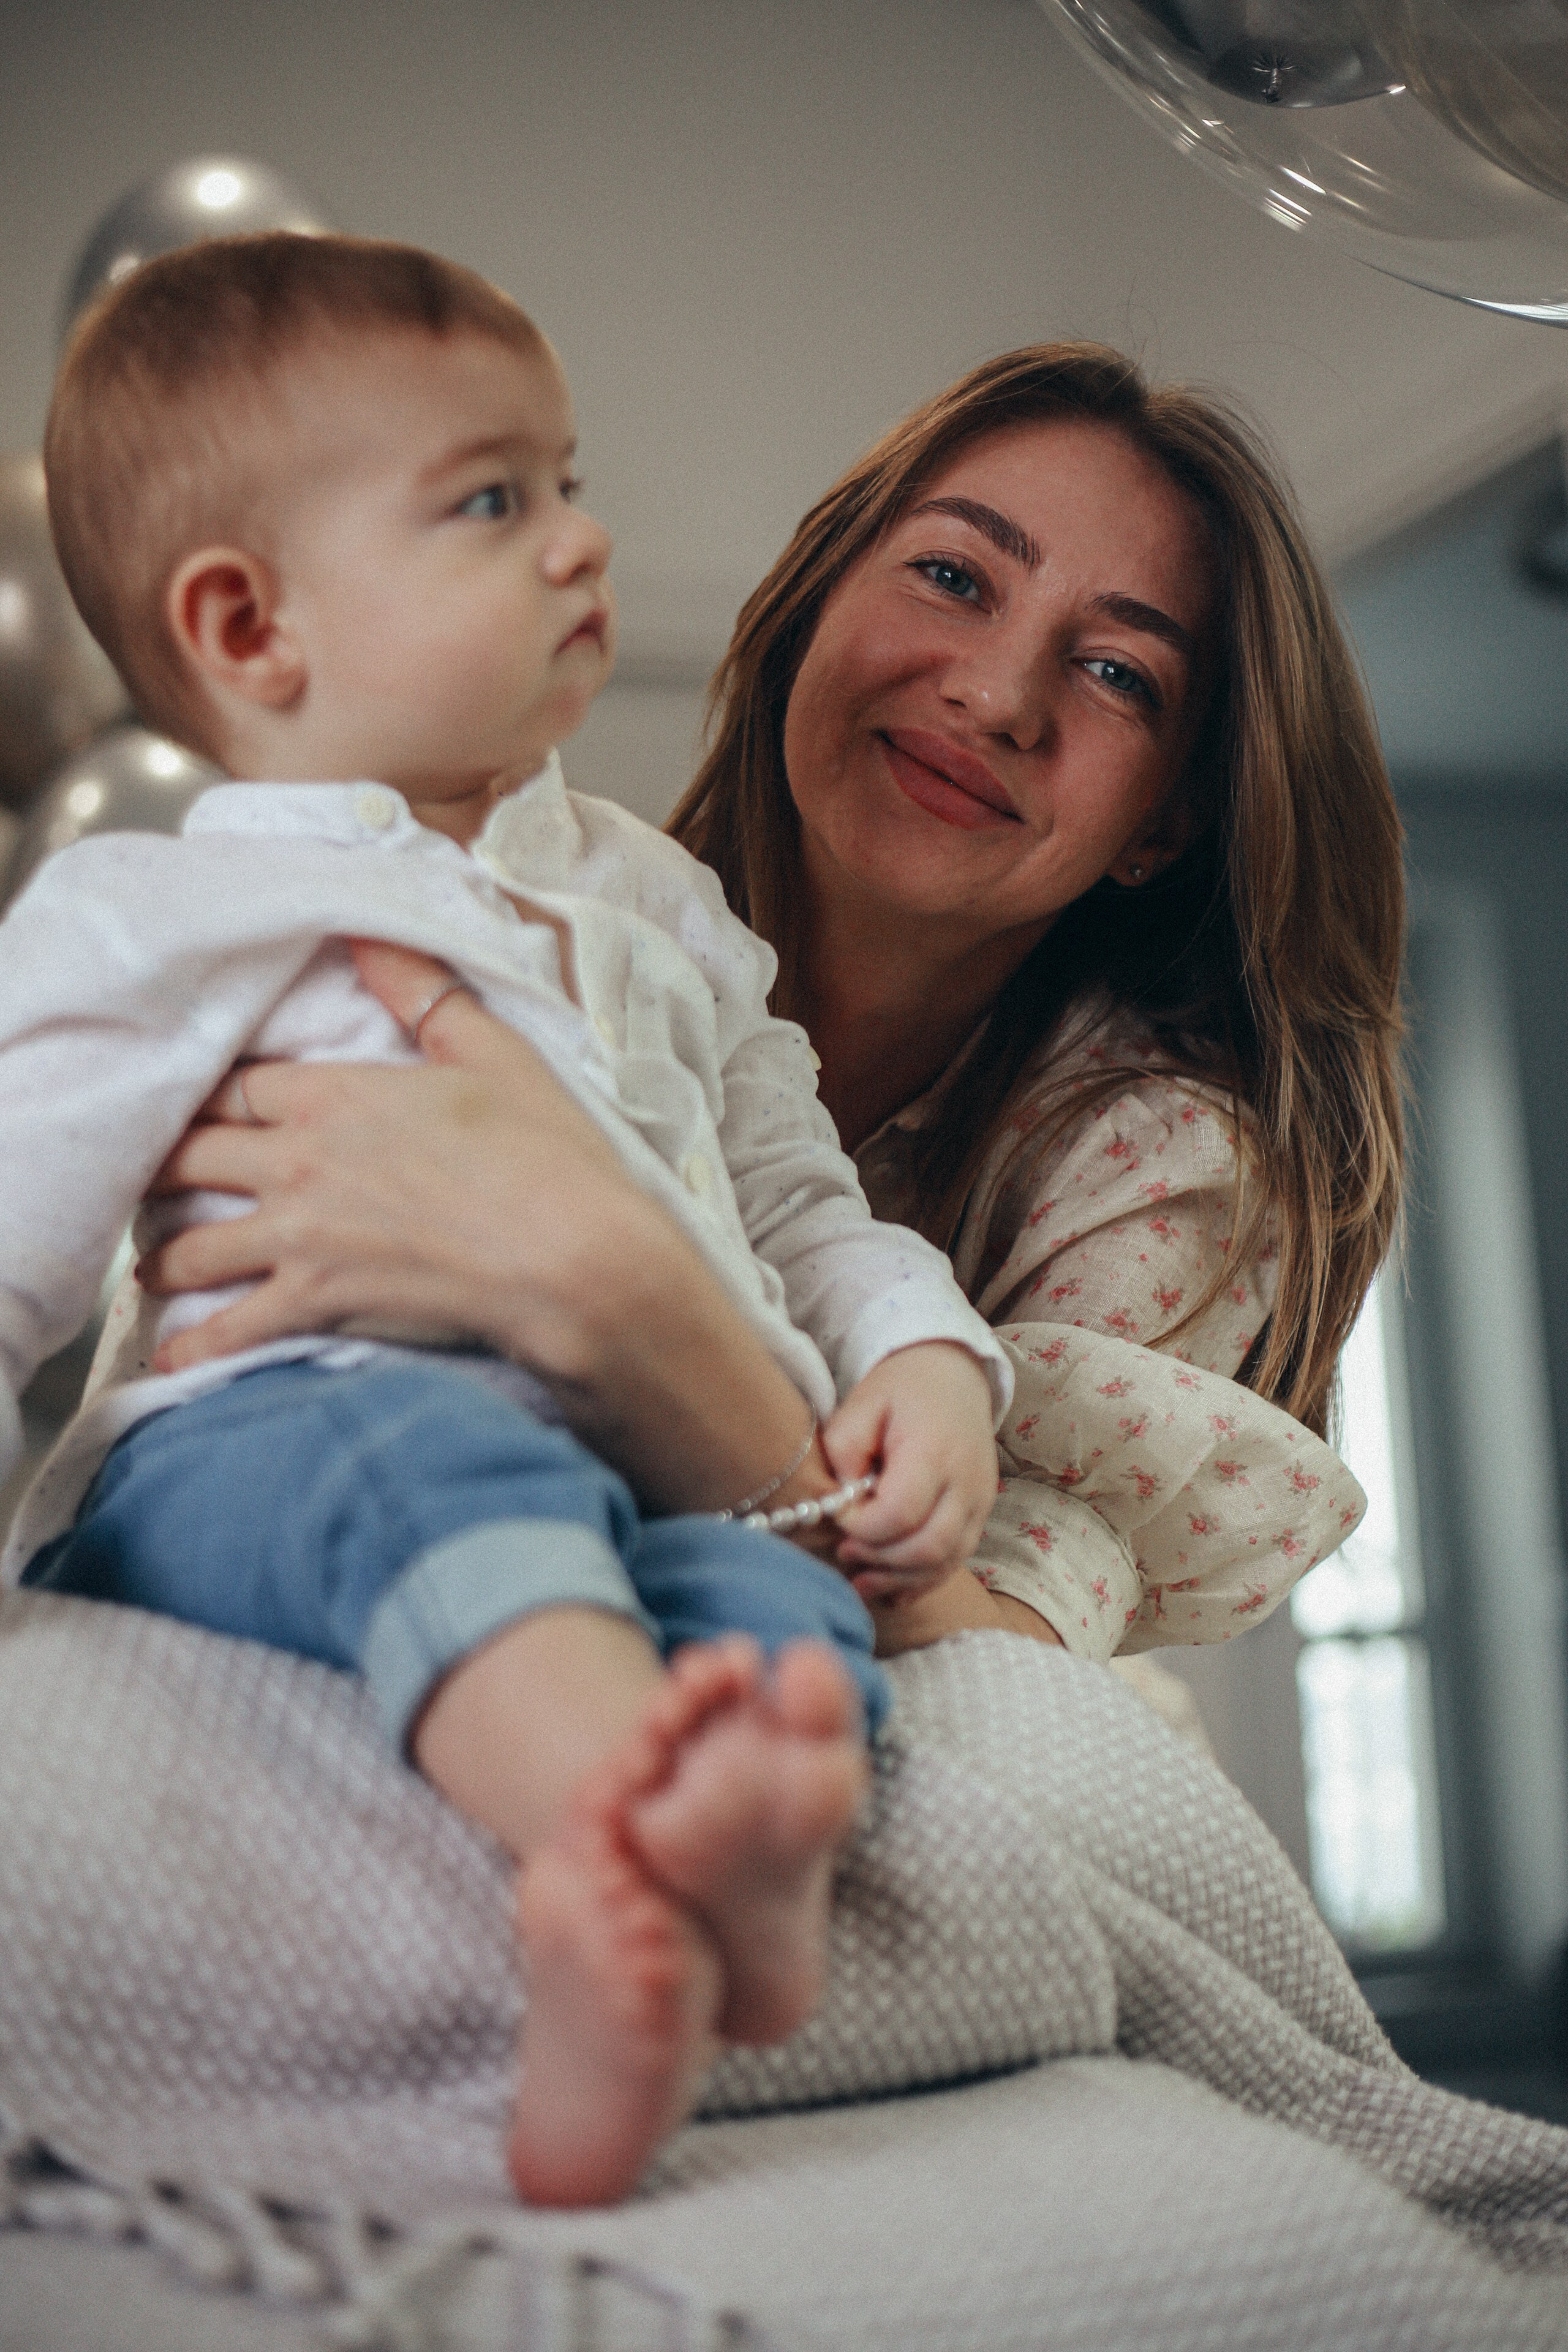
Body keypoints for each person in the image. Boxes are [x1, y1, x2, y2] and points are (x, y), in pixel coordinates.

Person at [0, 232, 1017, 2206]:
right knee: (432, 1458)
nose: (578, 542)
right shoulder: (159, 912)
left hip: (628, 1471)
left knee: (772, 1621)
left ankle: (639, 1969)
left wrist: (921, 1358)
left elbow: (806, 1193)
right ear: (250, 625)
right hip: (276, 1436)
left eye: (566, 480)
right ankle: (628, 1837)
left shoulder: (662, 917)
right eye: (492, 502)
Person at [131, 339, 1396, 1670]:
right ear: (809, 602)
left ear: (1165, 821)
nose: (995, 693)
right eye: (953, 578)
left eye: (1117, 674)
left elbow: (996, 1666)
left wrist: (616, 1297)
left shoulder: (1158, 1167)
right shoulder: (495, 900)